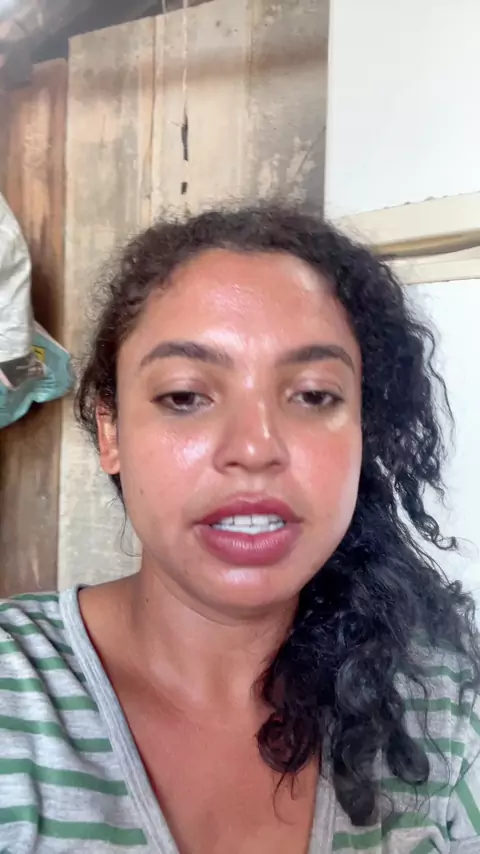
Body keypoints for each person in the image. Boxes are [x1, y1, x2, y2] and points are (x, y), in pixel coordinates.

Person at [0, 203, 479, 854]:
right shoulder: (15, 699)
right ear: (111, 432)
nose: (255, 448)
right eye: (185, 396)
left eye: (314, 395)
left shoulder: (441, 705)